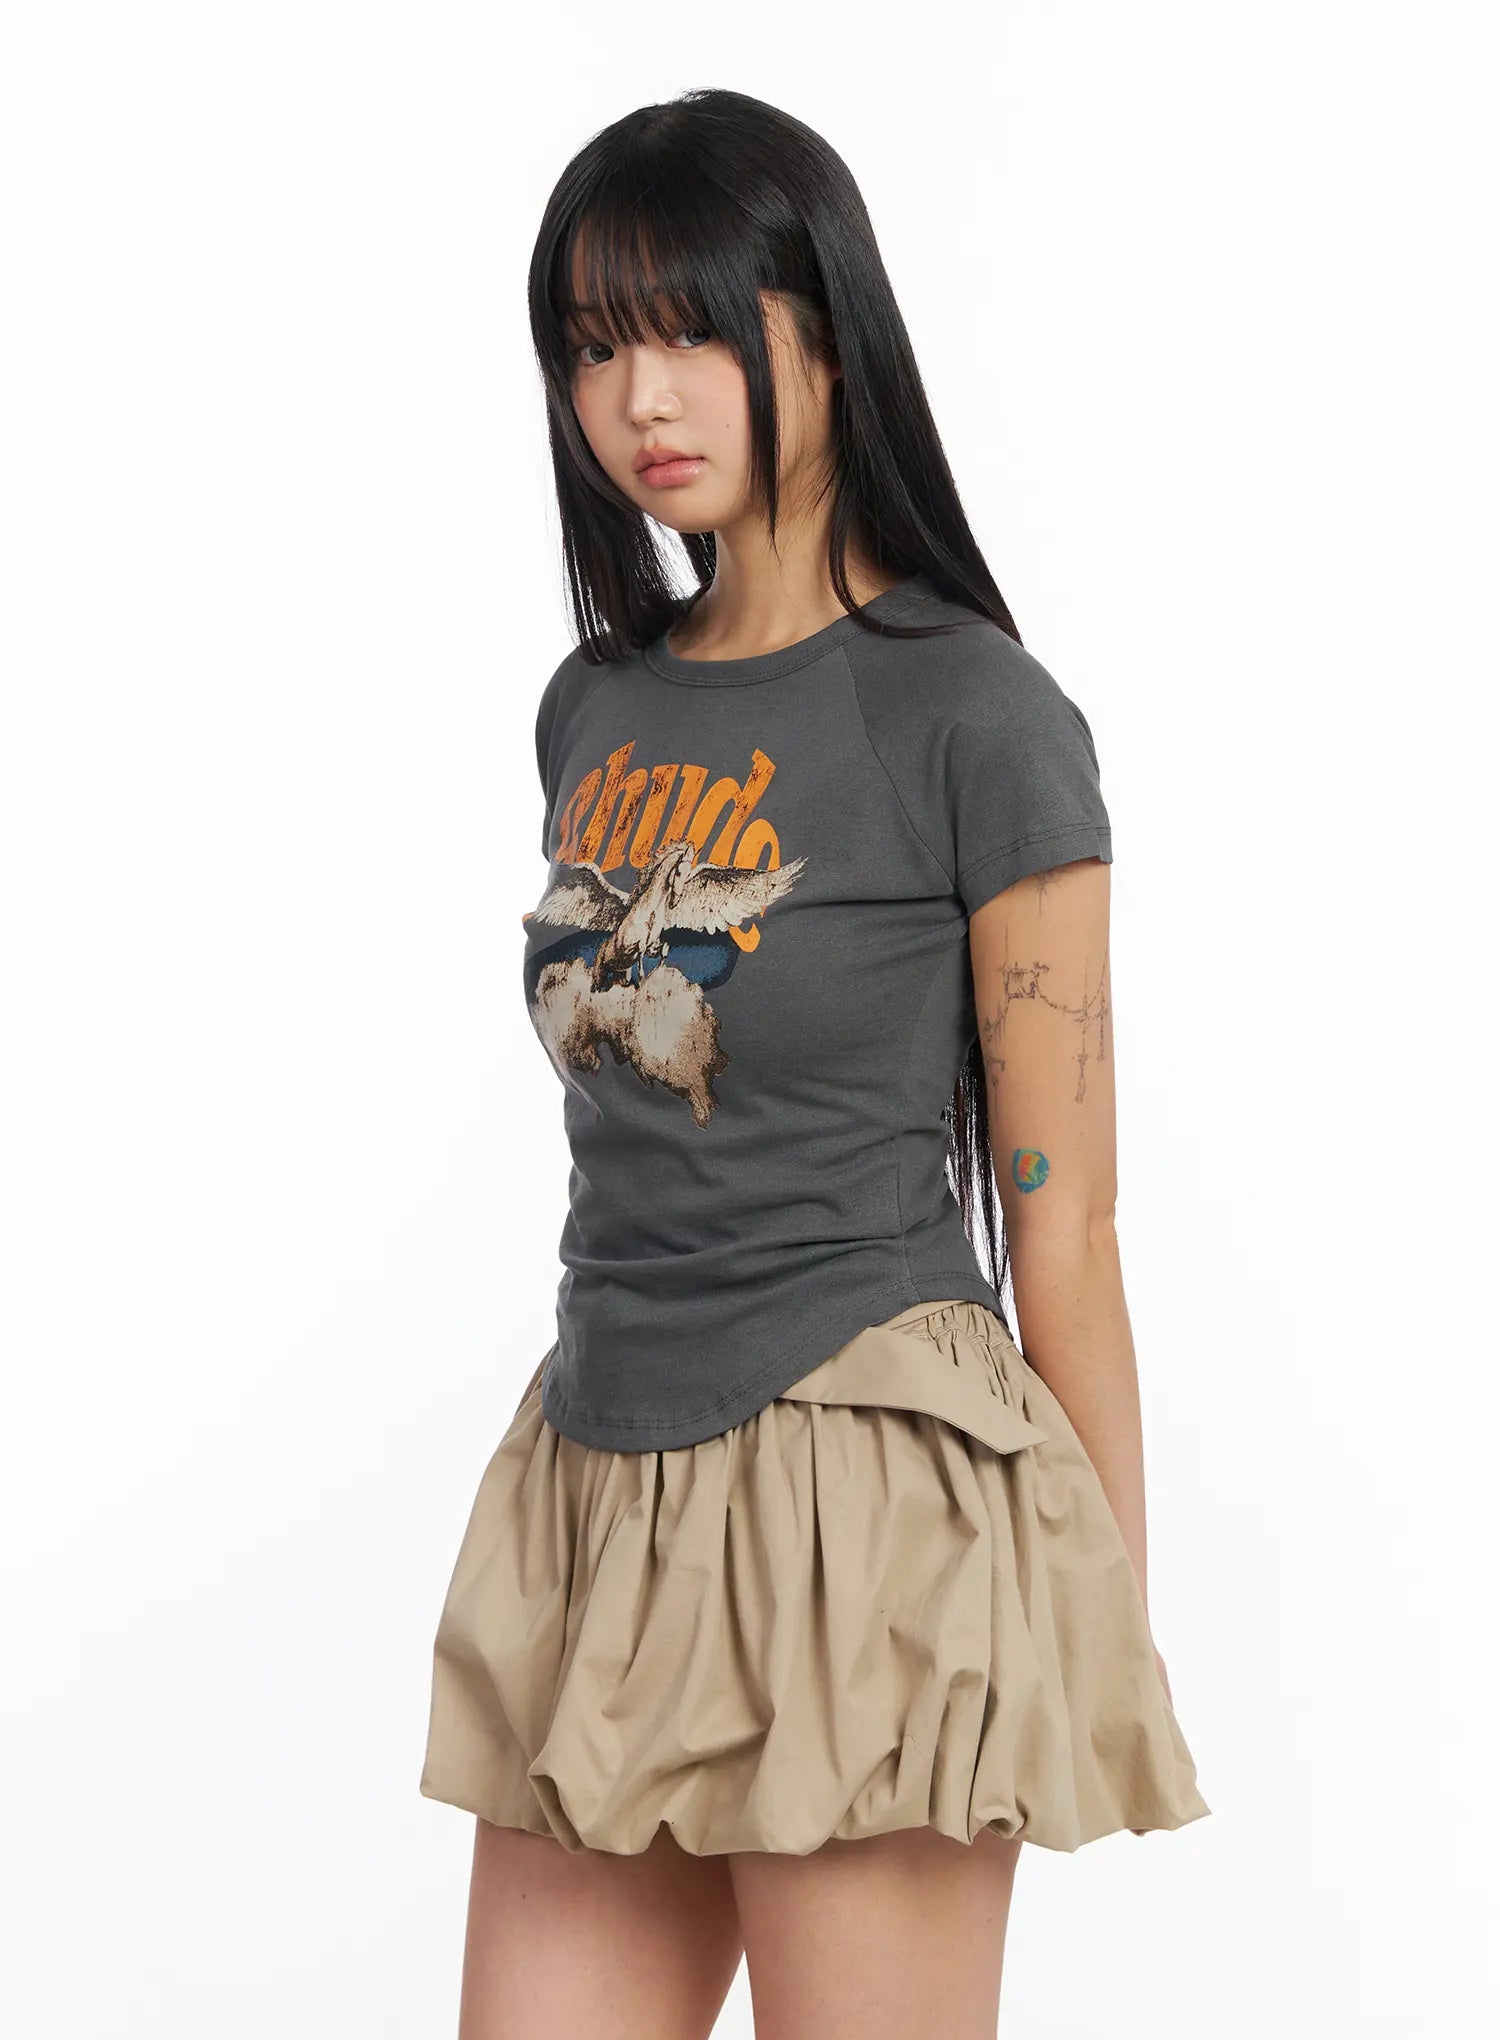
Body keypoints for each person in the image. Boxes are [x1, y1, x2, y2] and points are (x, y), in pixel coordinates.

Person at [419, 86, 1210, 2040]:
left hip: (870, 1500)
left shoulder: (978, 718)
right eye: (592, 345)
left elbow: (1068, 1222)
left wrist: (1093, 1614)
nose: (639, 398)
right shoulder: (594, 706)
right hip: (602, 1476)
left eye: (693, 330)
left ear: (827, 334)